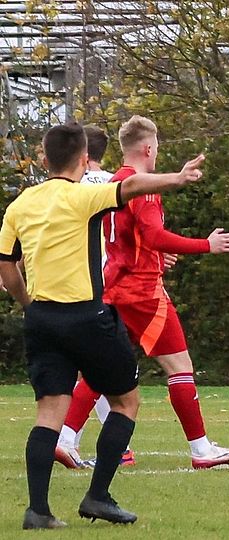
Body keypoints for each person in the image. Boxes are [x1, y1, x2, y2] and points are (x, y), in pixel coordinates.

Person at [0, 122, 205, 528]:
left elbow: (7, 271)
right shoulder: (84, 197)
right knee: (126, 401)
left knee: (48, 413)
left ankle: (38, 511)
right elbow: (128, 188)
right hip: (86, 316)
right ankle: (97, 496)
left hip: (41, 318)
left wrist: (28, 304)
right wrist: (177, 178)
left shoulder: (20, 205)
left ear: (43, 159)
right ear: (83, 160)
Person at [57, 116, 229, 470]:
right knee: (180, 367)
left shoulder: (115, 183)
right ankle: (202, 449)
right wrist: (206, 244)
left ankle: (66, 438)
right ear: (148, 148)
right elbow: (154, 235)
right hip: (143, 291)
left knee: (99, 368)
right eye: (156, 148)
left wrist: (156, 252)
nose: (157, 154)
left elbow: (134, 237)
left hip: (113, 287)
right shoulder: (144, 186)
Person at [56, 124, 136, 469]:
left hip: (65, 278)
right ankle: (68, 437)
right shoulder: (114, 183)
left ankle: (97, 441)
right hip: (107, 281)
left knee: (92, 366)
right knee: (103, 364)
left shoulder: (63, 186)